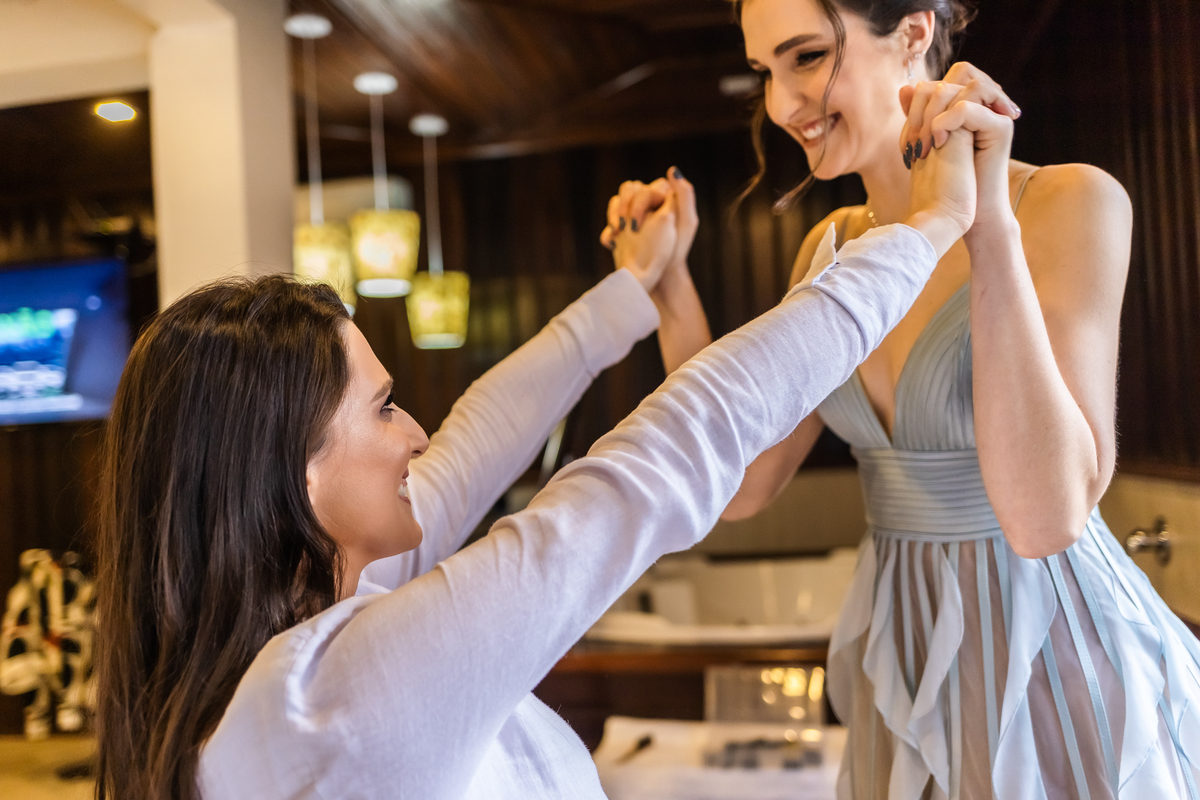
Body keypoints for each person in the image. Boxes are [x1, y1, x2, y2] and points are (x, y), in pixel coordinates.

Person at [93, 77, 981, 800]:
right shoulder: (342, 693)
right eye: (385, 408)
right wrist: (929, 230)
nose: (417, 434)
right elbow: (672, 448)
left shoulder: (285, 656)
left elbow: (483, 431)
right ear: (296, 474)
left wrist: (634, 287)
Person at [604, 1, 1200, 798]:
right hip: (906, 663)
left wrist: (984, 223)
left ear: (914, 32)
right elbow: (740, 483)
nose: (780, 104)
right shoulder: (828, 253)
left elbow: (1045, 519)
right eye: (764, 73)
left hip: (1052, 656)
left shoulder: (1070, 202)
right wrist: (668, 285)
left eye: (807, 57)